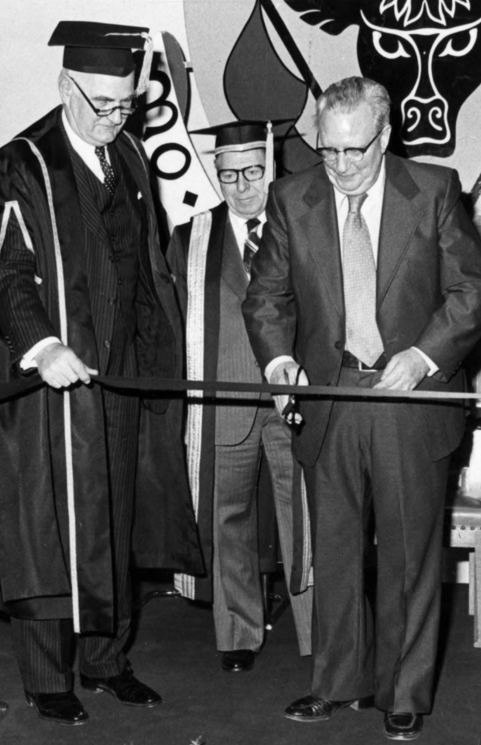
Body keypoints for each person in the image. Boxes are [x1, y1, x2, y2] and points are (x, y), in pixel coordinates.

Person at [242, 76, 481, 742]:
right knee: (334, 550)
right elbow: (266, 298)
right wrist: (278, 362)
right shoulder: (291, 197)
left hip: (408, 394)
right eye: (329, 152)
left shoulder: (435, 190)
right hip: (329, 395)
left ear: (385, 137)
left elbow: (475, 290)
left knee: (411, 553)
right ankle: (335, 682)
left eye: (357, 150)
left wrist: (424, 355)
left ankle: (403, 693)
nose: (344, 167)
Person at [0, 21, 201, 727]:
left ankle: (105, 660)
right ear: (65, 86)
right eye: (98, 103)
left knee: (116, 515)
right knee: (49, 522)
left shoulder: (128, 153)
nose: (112, 117)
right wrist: (43, 345)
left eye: (124, 104)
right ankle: (46, 676)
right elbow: (5, 272)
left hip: (120, 376)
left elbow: (147, 266)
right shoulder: (23, 164)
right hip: (51, 383)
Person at [167, 120, 313, 671]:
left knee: (303, 516)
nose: (242, 187)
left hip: (292, 400)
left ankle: (317, 633)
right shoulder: (190, 237)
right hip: (220, 399)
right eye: (228, 175)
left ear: (271, 168)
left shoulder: (302, 226)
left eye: (253, 172)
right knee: (227, 520)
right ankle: (237, 636)